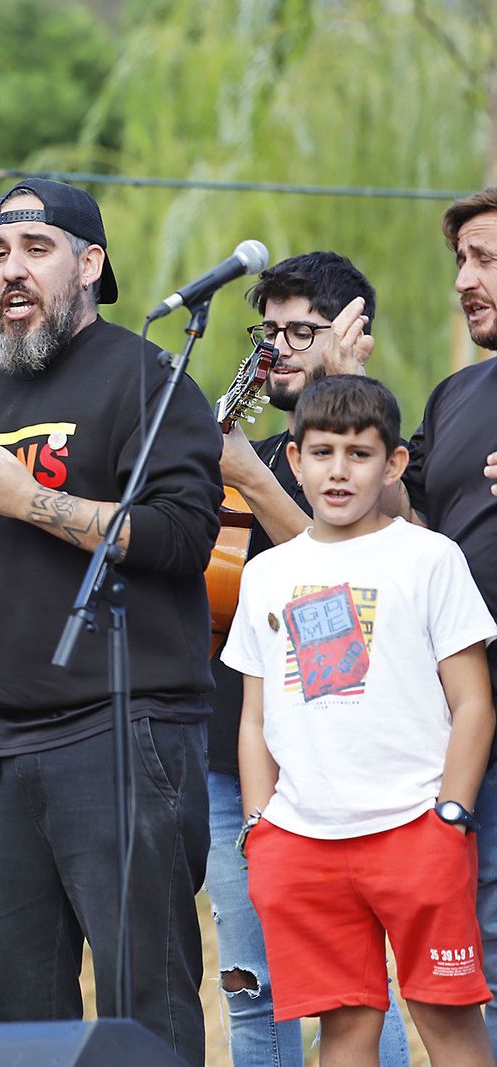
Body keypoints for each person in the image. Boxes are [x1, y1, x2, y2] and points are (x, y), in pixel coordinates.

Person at [0, 178, 220, 1062]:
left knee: (141, 996)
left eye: (36, 251)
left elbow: (183, 535)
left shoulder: (148, 376)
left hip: (121, 727)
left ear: (89, 264)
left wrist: (38, 500)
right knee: (13, 1010)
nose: (13, 272)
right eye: (0, 254)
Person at [227, 374, 496, 1064]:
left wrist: (452, 815)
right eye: (321, 453)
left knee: (448, 1021)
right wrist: (260, 828)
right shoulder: (267, 573)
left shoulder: (429, 557)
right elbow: (255, 717)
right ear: (294, 460)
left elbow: (473, 701)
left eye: (358, 453)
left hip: (416, 829)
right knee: (344, 1030)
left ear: (394, 463)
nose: (338, 471)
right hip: (302, 841)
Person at [210, 254, 410, 1062]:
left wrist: (254, 477)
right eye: (269, 333)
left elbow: (345, 580)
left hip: (338, 757)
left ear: (353, 333)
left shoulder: (378, 460)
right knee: (250, 986)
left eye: (303, 331)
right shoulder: (241, 461)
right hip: (233, 752)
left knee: (353, 991)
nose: (279, 350)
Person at [405, 186, 497, 1052]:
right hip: (460, 722)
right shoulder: (456, 395)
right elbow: (407, 527)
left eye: (486, 259)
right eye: (462, 261)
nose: (464, 281)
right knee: (468, 954)